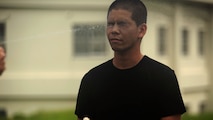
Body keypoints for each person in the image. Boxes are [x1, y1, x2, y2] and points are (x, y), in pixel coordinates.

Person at [75, 0, 186, 120]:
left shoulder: (163, 78)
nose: (114, 30)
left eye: (122, 24)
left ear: (141, 30)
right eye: (110, 24)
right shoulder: (92, 80)